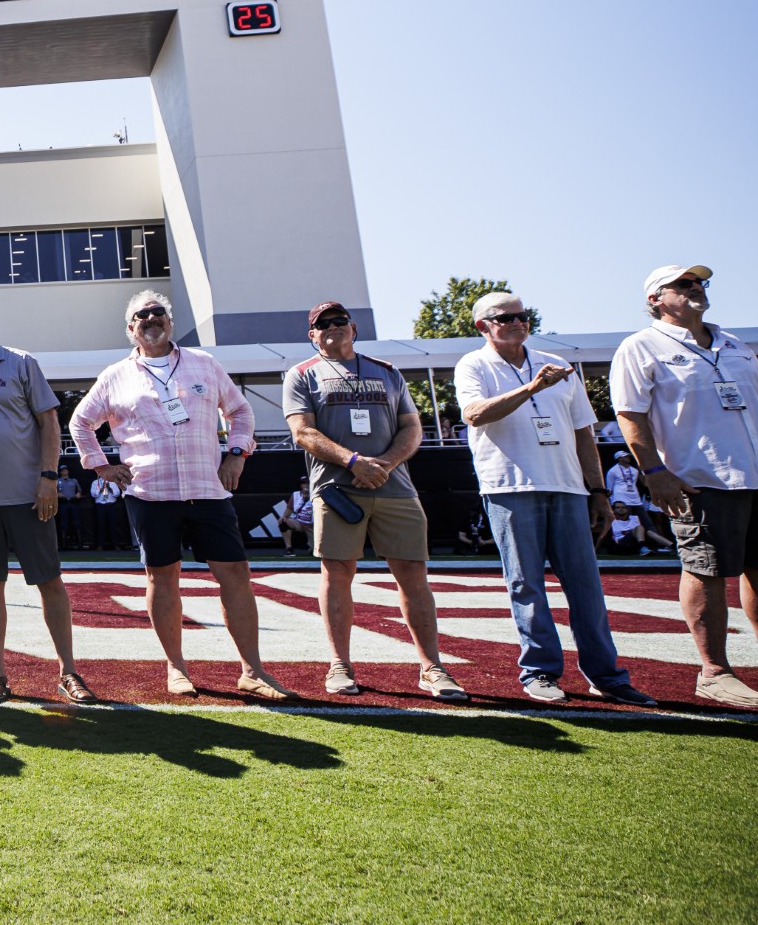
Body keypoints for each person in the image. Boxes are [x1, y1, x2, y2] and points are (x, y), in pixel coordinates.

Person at [71, 290, 291, 700]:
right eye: (142, 315)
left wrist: (237, 454)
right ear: (130, 328)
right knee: (163, 578)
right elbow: (81, 422)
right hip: (151, 492)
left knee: (236, 576)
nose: (151, 319)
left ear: (169, 321)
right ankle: (176, 667)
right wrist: (101, 466)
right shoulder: (115, 375)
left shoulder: (205, 364)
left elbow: (240, 412)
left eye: (159, 312)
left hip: (209, 488)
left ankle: (253, 670)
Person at [454, 292, 655, 705]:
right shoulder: (473, 364)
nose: (516, 322)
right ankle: (540, 672)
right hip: (509, 487)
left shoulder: (560, 367)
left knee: (586, 587)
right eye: (504, 317)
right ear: (482, 326)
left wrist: (598, 490)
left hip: (567, 486)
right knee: (526, 584)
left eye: (522, 316)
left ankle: (607, 675)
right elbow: (474, 414)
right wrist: (532, 387)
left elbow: (584, 431)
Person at [283, 301, 466, 702]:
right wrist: (352, 461)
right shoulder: (300, 375)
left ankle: (432, 667)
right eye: (322, 324)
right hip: (337, 489)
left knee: (413, 577)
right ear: (312, 335)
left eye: (339, 321)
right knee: (337, 576)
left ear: (354, 327)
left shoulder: (388, 371)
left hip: (395, 486)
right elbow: (303, 433)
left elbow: (411, 427)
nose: (332, 327)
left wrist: (384, 463)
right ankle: (340, 664)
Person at [610, 265, 758, 709]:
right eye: (682, 284)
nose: (695, 288)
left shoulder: (736, 345)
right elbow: (630, 415)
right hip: (699, 478)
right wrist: (656, 473)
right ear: (655, 298)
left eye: (699, 283)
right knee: (706, 568)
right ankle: (714, 671)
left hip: (754, 474)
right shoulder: (641, 347)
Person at [0, 297, 96, 705]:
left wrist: (49, 478)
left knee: (49, 581)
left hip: (29, 496)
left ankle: (68, 670)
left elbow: (50, 420)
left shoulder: (21, 362)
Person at [90, 472, 123, 551]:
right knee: (101, 525)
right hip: (100, 506)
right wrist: (101, 490)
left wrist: (110, 488)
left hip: (110, 505)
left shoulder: (113, 482)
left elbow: (117, 494)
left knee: (113, 525)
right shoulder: (95, 482)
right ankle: (100, 544)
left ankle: (115, 544)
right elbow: (93, 494)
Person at [278, 486, 312, 557]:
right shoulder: (296, 495)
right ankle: (289, 548)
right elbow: (289, 509)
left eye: (306, 483)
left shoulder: (319, 494)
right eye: (303, 483)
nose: (305, 486)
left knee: (314, 551)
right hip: (300, 522)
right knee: (283, 522)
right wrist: (284, 516)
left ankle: (313, 547)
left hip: (314, 525)